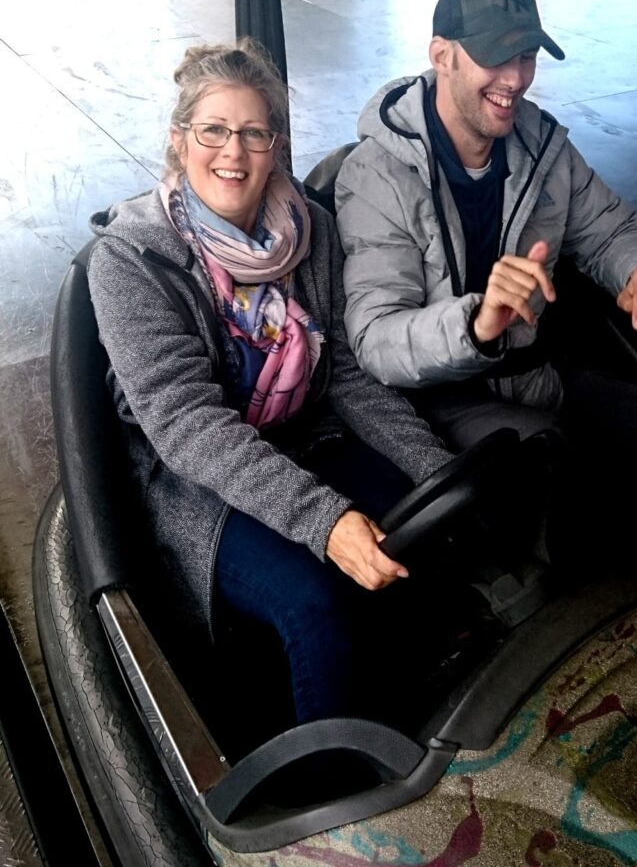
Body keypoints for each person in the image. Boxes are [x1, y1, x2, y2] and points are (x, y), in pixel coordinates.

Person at [335, 0, 637, 549]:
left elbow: (612, 230)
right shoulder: (376, 174)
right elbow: (376, 339)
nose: (516, 79)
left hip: (536, 377)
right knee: (571, 480)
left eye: (528, 56)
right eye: (497, 57)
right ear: (442, 56)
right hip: (441, 399)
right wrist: (477, 322)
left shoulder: (542, 148)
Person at [86, 39, 453, 726]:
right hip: (194, 482)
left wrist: (435, 470)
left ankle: (423, 728)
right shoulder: (133, 261)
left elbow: (345, 372)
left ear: (276, 145)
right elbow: (188, 427)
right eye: (214, 130)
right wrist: (325, 521)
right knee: (313, 601)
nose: (234, 151)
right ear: (179, 140)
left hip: (302, 437)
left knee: (416, 528)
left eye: (254, 132)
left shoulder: (307, 231)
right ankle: (332, 795)